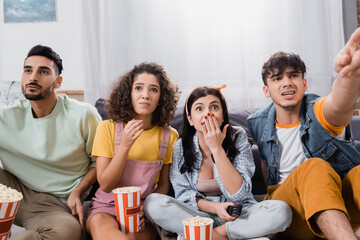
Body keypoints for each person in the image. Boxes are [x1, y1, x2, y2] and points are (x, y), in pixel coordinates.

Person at [247, 28, 360, 240]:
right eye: (277, 78)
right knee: (314, 166)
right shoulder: (257, 123)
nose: (286, 82)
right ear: (266, 90)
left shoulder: (316, 110)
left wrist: (350, 79)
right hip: (288, 209)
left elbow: (338, 107)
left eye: (293, 76)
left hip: (335, 203)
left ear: (304, 84)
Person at [144, 86, 292, 240]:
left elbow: (239, 193)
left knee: (281, 211)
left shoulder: (238, 137)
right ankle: (224, 235)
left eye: (214, 107)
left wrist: (217, 149)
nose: (208, 113)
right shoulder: (181, 147)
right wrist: (215, 208)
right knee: (153, 203)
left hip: (238, 215)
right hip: (199, 216)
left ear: (222, 115)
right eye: (199, 109)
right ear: (190, 119)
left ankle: (213, 235)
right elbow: (183, 195)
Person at [0, 45, 101, 240]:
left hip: (56, 205)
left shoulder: (83, 115)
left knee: (68, 232)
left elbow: (100, 162)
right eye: (28, 70)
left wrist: (78, 192)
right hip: (15, 191)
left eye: (43, 71)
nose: (33, 77)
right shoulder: (6, 118)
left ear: (58, 81)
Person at [86, 62, 180, 240]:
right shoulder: (107, 128)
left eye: (153, 90)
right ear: (128, 93)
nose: (145, 95)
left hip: (143, 212)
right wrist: (125, 146)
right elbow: (105, 184)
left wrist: (145, 212)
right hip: (105, 209)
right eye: (138, 88)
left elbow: (164, 186)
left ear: (161, 97)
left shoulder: (170, 136)